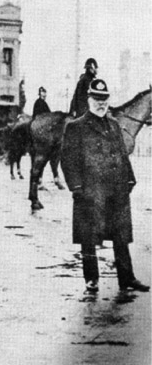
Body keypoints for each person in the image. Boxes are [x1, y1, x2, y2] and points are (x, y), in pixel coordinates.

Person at [60, 78, 148, 294]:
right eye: (97, 98)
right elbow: (67, 159)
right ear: (89, 99)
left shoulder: (115, 125)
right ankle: (91, 280)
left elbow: (122, 154)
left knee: (121, 236)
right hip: (90, 190)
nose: (101, 102)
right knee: (88, 237)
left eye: (104, 98)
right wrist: (76, 187)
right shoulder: (76, 126)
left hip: (116, 188)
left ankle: (126, 278)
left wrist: (130, 178)